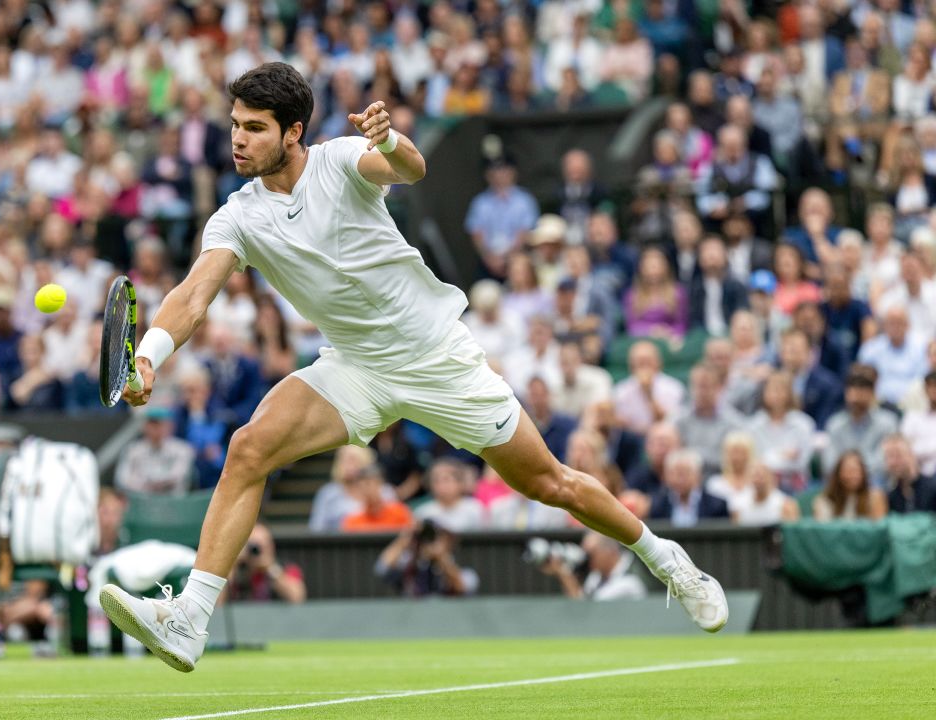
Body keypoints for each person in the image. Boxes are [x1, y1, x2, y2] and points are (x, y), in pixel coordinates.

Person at [99, 64, 727, 673]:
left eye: (255, 127)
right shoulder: (237, 214)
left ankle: (667, 559)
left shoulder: (343, 159)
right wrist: (149, 356)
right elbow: (191, 295)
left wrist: (391, 139)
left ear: (293, 132)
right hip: (355, 366)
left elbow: (409, 168)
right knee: (248, 448)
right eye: (235, 124)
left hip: (436, 357)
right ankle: (189, 619)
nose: (238, 138)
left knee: (550, 485)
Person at [464, 153, 538, 278]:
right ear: (487, 175)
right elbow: (476, 234)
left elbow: (526, 232)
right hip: (487, 263)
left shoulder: (524, 200)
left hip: (518, 261)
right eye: (494, 171)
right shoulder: (480, 202)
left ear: (513, 172)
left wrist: (508, 257)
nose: (499, 175)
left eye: (504, 170)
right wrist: (490, 258)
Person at [822, 365, 898, 481]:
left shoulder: (887, 423)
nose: (855, 399)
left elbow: (884, 462)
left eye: (861, 393)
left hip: (875, 481)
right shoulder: (835, 424)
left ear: (872, 394)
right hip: (842, 482)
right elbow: (829, 463)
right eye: (852, 393)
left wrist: (855, 470)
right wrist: (849, 472)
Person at [375, 519, 478, 597]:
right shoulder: (409, 565)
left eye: (438, 538)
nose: (428, 543)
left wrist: (441, 558)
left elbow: (463, 587)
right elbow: (381, 568)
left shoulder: (461, 571)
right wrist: (405, 539)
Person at [675, 364, 745, 476]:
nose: (700, 392)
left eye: (705, 386)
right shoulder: (679, 420)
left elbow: (733, 460)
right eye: (696, 386)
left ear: (719, 388)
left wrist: (697, 456)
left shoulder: (734, 423)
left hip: (721, 481)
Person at [541, 531, 649, 601]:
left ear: (608, 551)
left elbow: (586, 614)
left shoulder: (630, 580)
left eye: (591, 554)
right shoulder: (596, 576)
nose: (587, 560)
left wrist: (564, 574)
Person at [113, 407, 196, 496]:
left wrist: (150, 482)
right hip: (141, 502)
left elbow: (178, 476)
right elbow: (122, 480)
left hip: (173, 503)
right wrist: (148, 485)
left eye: (161, 424)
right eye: (152, 424)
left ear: (170, 426)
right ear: (145, 426)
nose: (156, 428)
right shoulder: (132, 450)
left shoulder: (183, 450)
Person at [611, 341, 686, 434]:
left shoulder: (673, 387)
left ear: (658, 362)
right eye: (640, 362)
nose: (644, 367)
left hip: (662, 438)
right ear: (631, 365)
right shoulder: (621, 390)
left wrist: (648, 393)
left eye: (648, 362)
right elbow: (620, 424)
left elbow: (671, 423)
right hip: (632, 439)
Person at [649, 449, 731, 527]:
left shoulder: (717, 506)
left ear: (698, 475)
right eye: (675, 474)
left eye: (684, 473)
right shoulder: (657, 506)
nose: (679, 479)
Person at [228, 523, 306, 603]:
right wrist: (233, 563)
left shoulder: (286, 568)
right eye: (255, 547)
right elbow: (219, 602)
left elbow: (297, 598)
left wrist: (271, 568)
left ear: (272, 546)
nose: (259, 552)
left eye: (264, 546)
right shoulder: (239, 569)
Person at [308, 445, 376, 532]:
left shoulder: (381, 491)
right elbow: (316, 528)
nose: (348, 465)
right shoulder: (328, 493)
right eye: (343, 460)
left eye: (353, 460)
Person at [412, 458, 484, 532]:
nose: (441, 485)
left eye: (446, 480)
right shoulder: (423, 513)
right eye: (436, 480)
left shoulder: (475, 508)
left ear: (460, 482)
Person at [813, 451, 888, 521]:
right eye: (848, 471)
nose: (852, 475)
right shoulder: (824, 501)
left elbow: (879, 529)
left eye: (856, 470)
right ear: (838, 474)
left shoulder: (874, 498)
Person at [341, 464, 413, 532]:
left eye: (368, 484)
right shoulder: (352, 520)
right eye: (360, 486)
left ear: (380, 484)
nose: (366, 490)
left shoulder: (399, 511)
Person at [729, 459, 800, 526]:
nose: (758, 480)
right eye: (755, 476)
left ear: (771, 478)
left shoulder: (785, 504)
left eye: (762, 476)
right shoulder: (738, 504)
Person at [882, 435, 936, 514]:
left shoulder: (933, 488)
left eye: (898, 455)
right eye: (888, 457)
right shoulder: (891, 497)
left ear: (911, 455)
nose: (893, 462)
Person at [707, 431, 758, 507]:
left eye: (742, 453)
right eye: (734, 452)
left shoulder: (757, 484)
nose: (738, 458)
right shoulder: (715, 484)